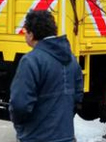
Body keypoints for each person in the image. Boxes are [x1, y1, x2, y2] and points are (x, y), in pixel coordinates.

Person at [9, 10, 83, 142]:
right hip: (66, 136)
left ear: (31, 35)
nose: (24, 35)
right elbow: (77, 98)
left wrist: (21, 128)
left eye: (25, 31)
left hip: (36, 136)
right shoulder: (72, 59)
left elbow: (19, 105)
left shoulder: (30, 61)